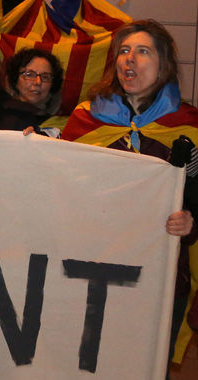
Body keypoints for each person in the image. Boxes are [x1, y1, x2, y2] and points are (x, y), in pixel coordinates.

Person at [61, 19, 198, 369]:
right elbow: (58, 184)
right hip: (93, 270)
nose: (130, 59)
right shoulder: (85, 120)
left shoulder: (189, 125)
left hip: (163, 277)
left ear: (163, 63)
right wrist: (30, 146)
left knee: (148, 365)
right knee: (90, 362)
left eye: (142, 51)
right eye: (123, 51)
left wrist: (191, 222)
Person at [0, 48, 63, 133]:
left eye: (45, 77)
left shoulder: (61, 125)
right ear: (15, 80)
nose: (38, 82)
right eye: (29, 75)